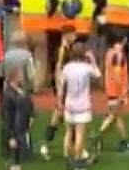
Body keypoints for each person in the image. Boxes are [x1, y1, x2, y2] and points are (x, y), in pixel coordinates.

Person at [57, 43, 101, 170]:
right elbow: (98, 75)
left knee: (69, 132)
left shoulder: (67, 68)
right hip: (83, 105)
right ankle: (78, 160)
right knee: (80, 134)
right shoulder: (86, 68)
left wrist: (60, 102)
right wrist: (93, 60)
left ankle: (66, 157)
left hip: (69, 104)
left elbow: (62, 87)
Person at [40, 25, 77, 160]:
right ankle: (47, 145)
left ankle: (47, 145)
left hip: (67, 88)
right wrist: (60, 90)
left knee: (59, 118)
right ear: (66, 35)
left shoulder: (68, 49)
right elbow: (58, 70)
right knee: (61, 118)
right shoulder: (62, 50)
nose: (75, 37)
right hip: (63, 89)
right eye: (73, 34)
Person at [94, 33, 129, 152]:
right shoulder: (118, 56)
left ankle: (124, 141)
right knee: (113, 116)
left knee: (116, 117)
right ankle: (97, 136)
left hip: (110, 90)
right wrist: (122, 94)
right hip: (116, 91)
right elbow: (117, 75)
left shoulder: (109, 52)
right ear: (122, 40)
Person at [2, 66, 32, 170]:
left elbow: (28, 103)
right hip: (14, 127)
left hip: (21, 125)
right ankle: (13, 164)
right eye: (20, 75)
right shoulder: (8, 93)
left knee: (21, 153)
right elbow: (7, 115)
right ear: (14, 77)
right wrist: (10, 136)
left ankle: (16, 164)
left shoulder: (20, 90)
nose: (22, 77)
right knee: (15, 150)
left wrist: (30, 116)